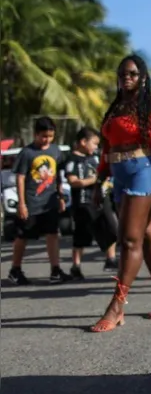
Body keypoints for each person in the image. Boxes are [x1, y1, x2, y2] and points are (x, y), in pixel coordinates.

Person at [90, 54, 151, 332]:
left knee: (129, 238)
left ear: (143, 77)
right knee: (147, 235)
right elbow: (107, 148)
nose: (127, 78)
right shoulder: (117, 107)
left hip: (146, 171)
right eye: (123, 74)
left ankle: (117, 306)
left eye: (132, 73)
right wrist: (100, 181)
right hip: (119, 174)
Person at [7, 116, 72, 285]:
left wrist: (60, 196)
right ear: (35, 134)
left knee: (52, 234)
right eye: (43, 136)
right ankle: (15, 269)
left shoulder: (56, 151)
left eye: (50, 136)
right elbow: (20, 178)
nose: (47, 140)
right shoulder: (27, 153)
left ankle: (55, 270)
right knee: (23, 236)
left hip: (49, 204)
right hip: (31, 203)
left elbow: (58, 175)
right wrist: (22, 203)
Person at [64, 126, 118, 279]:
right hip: (83, 203)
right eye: (94, 143)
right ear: (83, 142)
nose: (96, 147)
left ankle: (111, 259)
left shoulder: (95, 158)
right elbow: (73, 182)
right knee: (81, 235)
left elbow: (104, 173)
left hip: (101, 199)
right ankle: (76, 267)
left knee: (111, 228)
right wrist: (93, 180)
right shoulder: (72, 160)